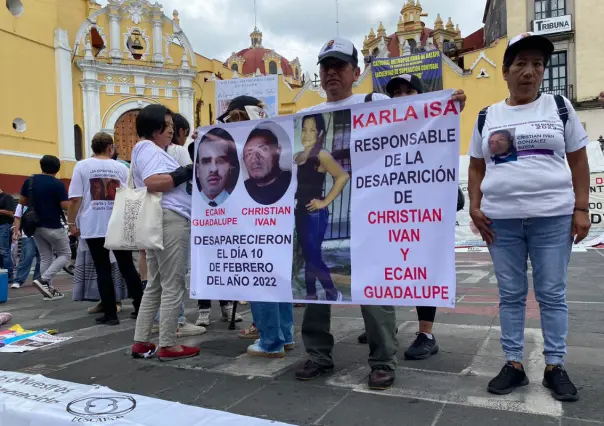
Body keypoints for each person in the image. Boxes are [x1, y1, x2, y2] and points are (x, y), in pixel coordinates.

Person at [468, 32, 590, 402]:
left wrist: (581, 208)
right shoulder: (488, 115)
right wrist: (474, 205)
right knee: (510, 294)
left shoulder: (560, 107)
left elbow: (579, 160)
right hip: (500, 221)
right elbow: (475, 167)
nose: (529, 72)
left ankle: (554, 365)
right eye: (520, 64)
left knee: (552, 293)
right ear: (505, 71)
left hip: (552, 218)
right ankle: (513, 364)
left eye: (537, 65)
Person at [294, 37, 399, 390]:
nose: (331, 73)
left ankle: (383, 358)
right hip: (319, 215)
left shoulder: (377, 103)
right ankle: (318, 355)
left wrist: (450, 105)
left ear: (356, 71)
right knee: (313, 285)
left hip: (371, 214)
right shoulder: (305, 118)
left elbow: (418, 129)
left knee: (373, 287)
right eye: (325, 67)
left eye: (339, 66)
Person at [361, 74, 466, 361]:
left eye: (408, 92)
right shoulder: (379, 131)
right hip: (387, 215)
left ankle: (426, 334)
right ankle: (384, 324)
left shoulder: (430, 127)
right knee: (383, 269)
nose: (401, 97)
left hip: (420, 216)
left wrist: (452, 107)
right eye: (395, 92)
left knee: (423, 268)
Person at [130, 104, 200, 361]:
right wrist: (187, 172)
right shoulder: (148, 148)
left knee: (156, 284)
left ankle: (141, 340)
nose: (172, 131)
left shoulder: (147, 149)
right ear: (155, 127)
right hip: (170, 219)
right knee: (173, 283)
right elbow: (153, 182)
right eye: (168, 126)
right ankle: (168, 343)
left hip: (159, 218)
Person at [67, 132, 144, 326]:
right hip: (118, 222)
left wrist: (71, 222)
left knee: (102, 268)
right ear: (111, 148)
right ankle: (141, 307)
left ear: (93, 147)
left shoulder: (82, 166)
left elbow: (75, 198)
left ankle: (111, 314)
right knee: (127, 266)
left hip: (93, 224)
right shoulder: (120, 168)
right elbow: (131, 195)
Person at [148, 113, 205, 338]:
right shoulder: (179, 152)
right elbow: (191, 181)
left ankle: (157, 321)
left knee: (158, 278)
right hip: (175, 217)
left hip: (152, 217)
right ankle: (175, 323)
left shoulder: (148, 153)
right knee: (176, 277)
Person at [294, 113, 349, 302]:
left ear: (320, 133)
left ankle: (332, 292)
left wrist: (324, 202)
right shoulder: (298, 156)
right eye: (304, 129)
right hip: (300, 211)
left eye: (312, 130)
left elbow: (342, 176)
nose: (307, 134)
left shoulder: (322, 154)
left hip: (315, 213)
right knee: (309, 255)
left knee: (313, 256)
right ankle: (311, 294)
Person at [16, 155, 70, 301]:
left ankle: (49, 291)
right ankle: (44, 279)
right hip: (52, 225)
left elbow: (22, 201)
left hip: (35, 225)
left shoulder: (30, 180)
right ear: (57, 168)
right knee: (65, 254)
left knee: (46, 256)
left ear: (41, 166)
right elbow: (65, 206)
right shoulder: (57, 184)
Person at [243, 125, 292, 205]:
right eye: (249, 154)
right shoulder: (242, 190)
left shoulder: (293, 182)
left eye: (263, 150)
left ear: (278, 151)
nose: (254, 159)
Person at [195, 128, 239, 207]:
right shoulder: (188, 205)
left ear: (230, 167)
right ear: (198, 170)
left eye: (220, 161)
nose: (213, 169)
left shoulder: (240, 205)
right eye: (206, 161)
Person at [11, 204, 41, 289]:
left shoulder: (41, 200)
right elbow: (17, 217)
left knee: (42, 258)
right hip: (27, 234)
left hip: (42, 233)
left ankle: (38, 279)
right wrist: (16, 231)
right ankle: (19, 280)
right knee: (27, 257)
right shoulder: (21, 205)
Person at [0, 188, 15, 284]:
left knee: (4, 250)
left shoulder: (7, 197)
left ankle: (9, 274)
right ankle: (3, 273)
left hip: (4, 226)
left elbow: (11, 212)